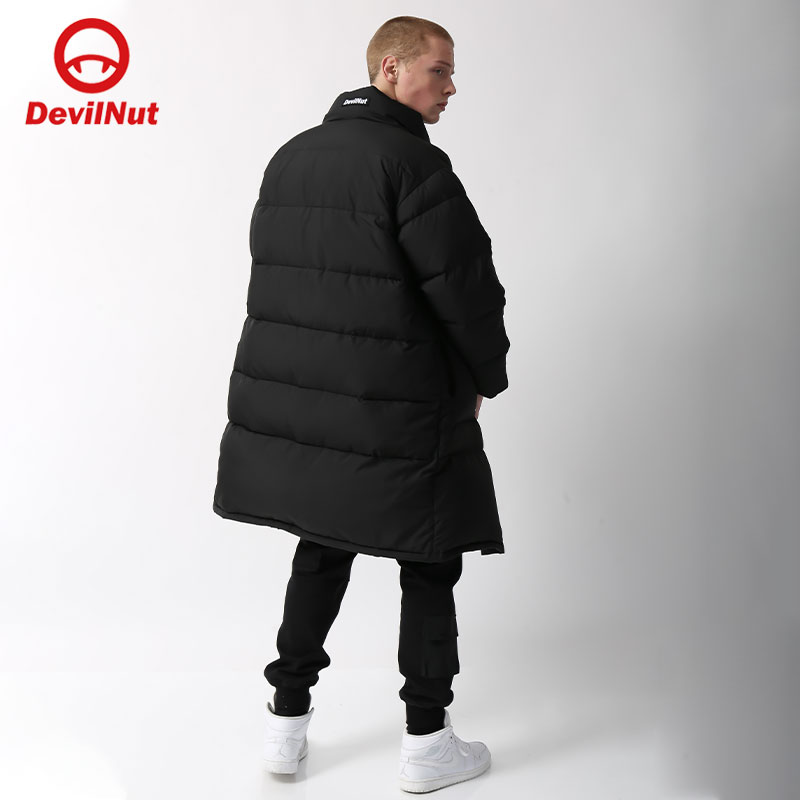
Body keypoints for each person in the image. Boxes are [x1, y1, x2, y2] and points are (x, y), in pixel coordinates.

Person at [212, 15, 510, 793]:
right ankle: (427, 742)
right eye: (439, 70)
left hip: (310, 406)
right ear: (390, 70)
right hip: (401, 405)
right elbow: (466, 290)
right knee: (429, 559)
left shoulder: (292, 156)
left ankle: (285, 728)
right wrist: (486, 376)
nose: (451, 87)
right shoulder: (413, 163)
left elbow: (279, 285)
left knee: (321, 546)